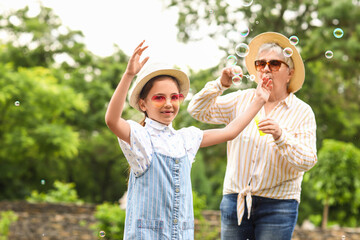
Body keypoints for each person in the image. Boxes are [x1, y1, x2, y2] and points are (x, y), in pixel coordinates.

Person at [105, 40, 272, 239]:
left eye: (174, 97)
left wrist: (260, 100)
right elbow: (112, 120)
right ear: (143, 104)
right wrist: (129, 74)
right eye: (159, 98)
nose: (168, 103)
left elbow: (230, 131)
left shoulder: (185, 139)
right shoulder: (141, 137)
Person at [187, 32, 317, 240]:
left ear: (290, 73)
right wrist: (220, 85)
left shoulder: (302, 112)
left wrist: (280, 135)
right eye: (260, 63)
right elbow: (196, 110)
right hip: (235, 199)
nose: (266, 68)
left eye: (274, 63)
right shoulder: (241, 99)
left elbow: (308, 160)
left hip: (279, 204)